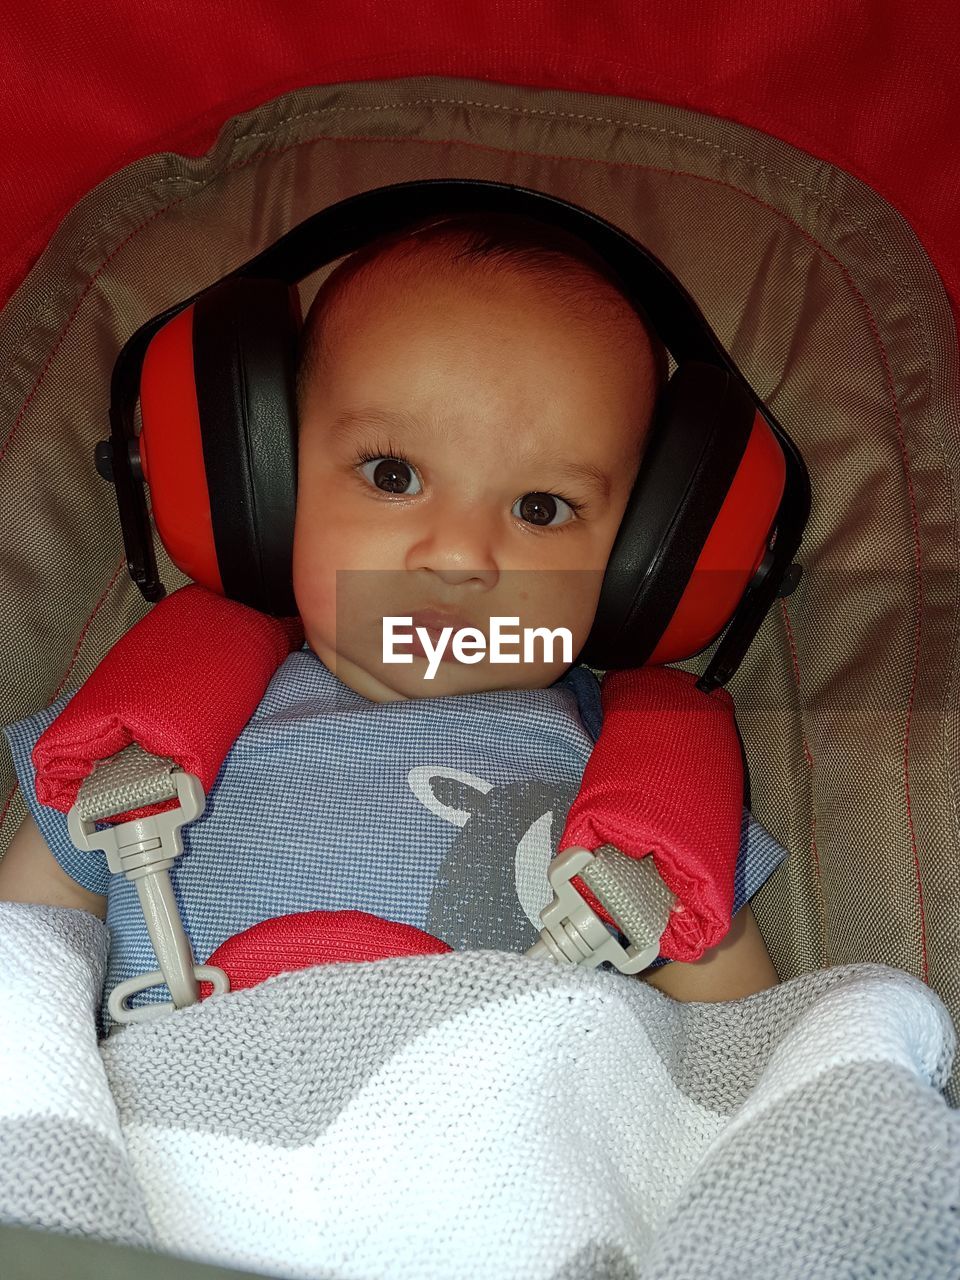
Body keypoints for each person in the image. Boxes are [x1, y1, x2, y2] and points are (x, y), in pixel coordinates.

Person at [0, 213, 782, 1024]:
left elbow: (746, 1050)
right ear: (264, 489)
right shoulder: (144, 741)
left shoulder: (639, 795)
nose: (458, 555)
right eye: (394, 474)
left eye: (541, 508)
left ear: (644, 566)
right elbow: (22, 954)